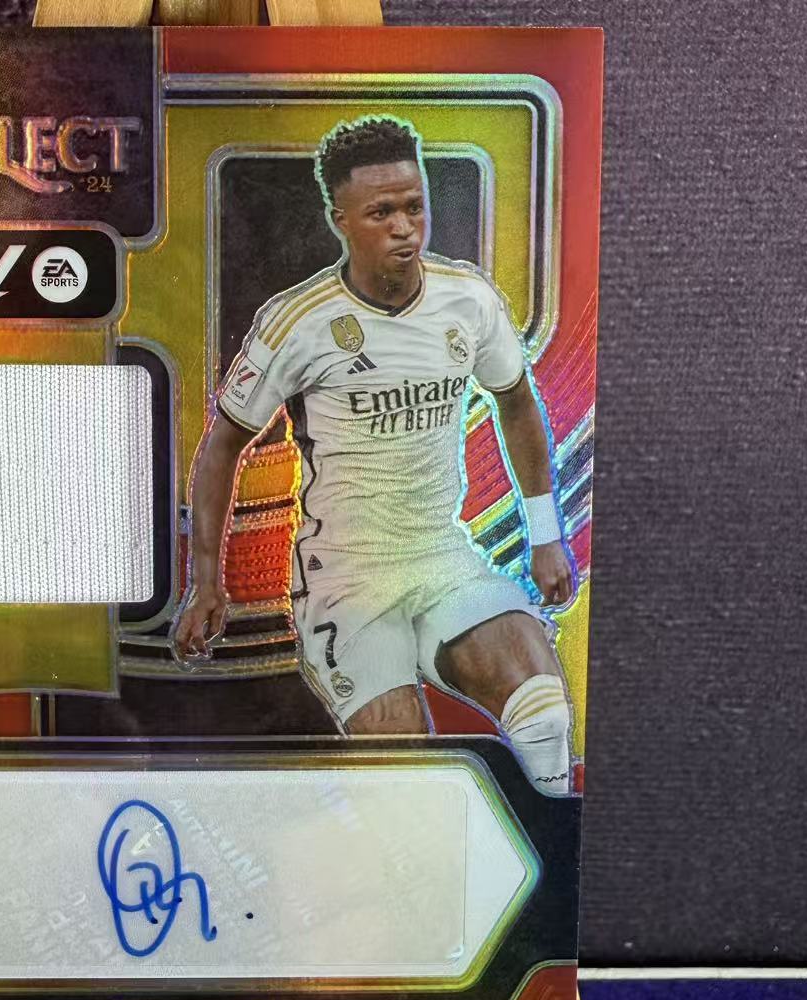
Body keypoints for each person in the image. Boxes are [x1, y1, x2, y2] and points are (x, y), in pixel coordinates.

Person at [172, 116, 576, 796]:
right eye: (381, 212)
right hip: (345, 578)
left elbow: (516, 402)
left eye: (414, 206)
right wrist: (206, 581)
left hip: (439, 557)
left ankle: (552, 849)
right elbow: (222, 446)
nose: (404, 228)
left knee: (544, 712)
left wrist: (545, 535)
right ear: (340, 221)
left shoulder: (468, 301)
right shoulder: (297, 321)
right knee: (407, 777)